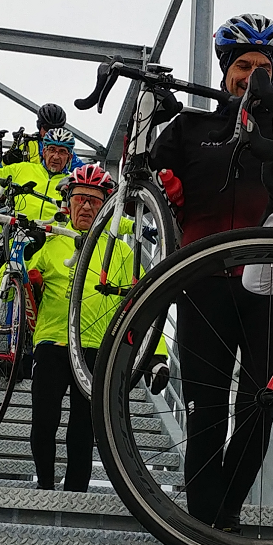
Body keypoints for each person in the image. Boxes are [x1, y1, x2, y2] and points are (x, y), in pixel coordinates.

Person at [150, 15, 273, 545]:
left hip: (268, 292)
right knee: (204, 423)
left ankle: (218, 531)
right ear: (224, 73)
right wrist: (160, 183)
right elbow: (142, 181)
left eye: (264, 69)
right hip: (201, 287)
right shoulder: (190, 128)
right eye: (243, 67)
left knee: (259, 415)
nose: (253, 77)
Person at [28, 165, 169, 492]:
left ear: (108, 206)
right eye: (80, 199)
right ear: (68, 201)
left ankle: (76, 495)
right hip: (51, 343)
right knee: (44, 422)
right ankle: (45, 488)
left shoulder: (120, 251)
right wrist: (25, 254)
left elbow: (141, 307)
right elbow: (4, 288)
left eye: (95, 200)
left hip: (98, 351)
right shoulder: (50, 241)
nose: (88, 207)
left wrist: (155, 356)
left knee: (84, 430)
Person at [0, 125, 76, 219]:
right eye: (52, 150)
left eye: (62, 152)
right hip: (19, 235)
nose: (56, 156)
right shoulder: (22, 169)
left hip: (56, 236)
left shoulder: (73, 182)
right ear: (44, 152)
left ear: (69, 157)